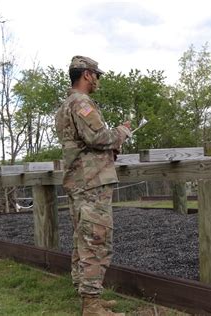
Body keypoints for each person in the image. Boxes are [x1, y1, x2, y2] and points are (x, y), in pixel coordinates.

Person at [55, 55, 131, 316]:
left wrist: (109, 149)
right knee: (96, 240)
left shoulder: (66, 105)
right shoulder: (81, 103)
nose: (98, 80)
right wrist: (122, 132)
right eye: (96, 75)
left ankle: (86, 293)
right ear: (87, 74)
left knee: (82, 239)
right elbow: (98, 136)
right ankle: (91, 305)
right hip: (91, 183)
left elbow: (83, 144)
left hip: (79, 181)